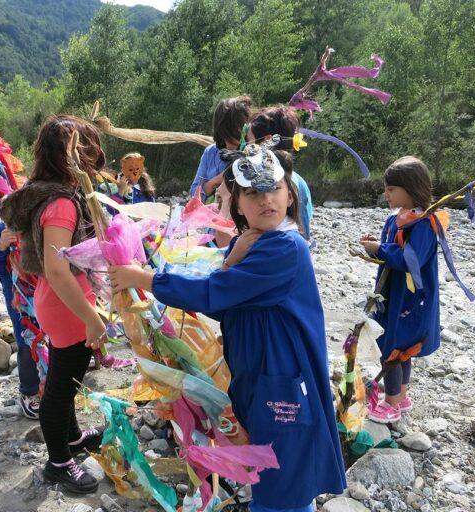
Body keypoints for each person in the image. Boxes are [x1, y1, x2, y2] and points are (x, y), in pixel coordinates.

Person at [109, 144, 346, 511]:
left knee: (281, 472)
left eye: (274, 190)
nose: (266, 200)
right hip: (260, 373)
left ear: (289, 193)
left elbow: (217, 292)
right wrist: (232, 255)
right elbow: (226, 288)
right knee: (271, 463)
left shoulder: (285, 247)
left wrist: (143, 277)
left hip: (282, 376)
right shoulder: (254, 241)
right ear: (236, 202)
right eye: (253, 193)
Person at [0, 115, 107, 494]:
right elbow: (59, 270)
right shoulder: (62, 203)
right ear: (73, 156)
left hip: (60, 298)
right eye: (89, 151)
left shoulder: (52, 192)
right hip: (64, 301)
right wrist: (91, 318)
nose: (94, 160)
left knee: (69, 378)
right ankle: (58, 463)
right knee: (61, 385)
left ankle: (73, 438)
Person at [359, 156, 443, 424]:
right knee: (400, 345)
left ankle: (391, 403)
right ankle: (401, 395)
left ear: (411, 189)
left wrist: (381, 250)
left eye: (391, 189)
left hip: (409, 298)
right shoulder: (396, 218)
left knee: (394, 346)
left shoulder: (424, 223)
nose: (386, 194)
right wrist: (377, 245)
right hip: (393, 294)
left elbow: (411, 258)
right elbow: (391, 249)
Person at [0, 222, 41, 419]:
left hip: (47, 294)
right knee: (26, 341)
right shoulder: (0, 233)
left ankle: (53, 383)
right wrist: (1, 246)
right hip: (19, 302)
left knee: (55, 337)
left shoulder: (40, 225)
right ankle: (30, 392)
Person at [189, 96, 252, 247]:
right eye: (233, 129)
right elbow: (194, 195)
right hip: (213, 231)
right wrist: (217, 180)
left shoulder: (252, 153)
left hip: (245, 232)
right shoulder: (211, 153)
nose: (238, 133)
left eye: (241, 128)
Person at [247, 106, 313, 242]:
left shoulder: (264, 182)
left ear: (267, 141)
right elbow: (304, 231)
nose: (247, 147)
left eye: (249, 141)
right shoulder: (298, 180)